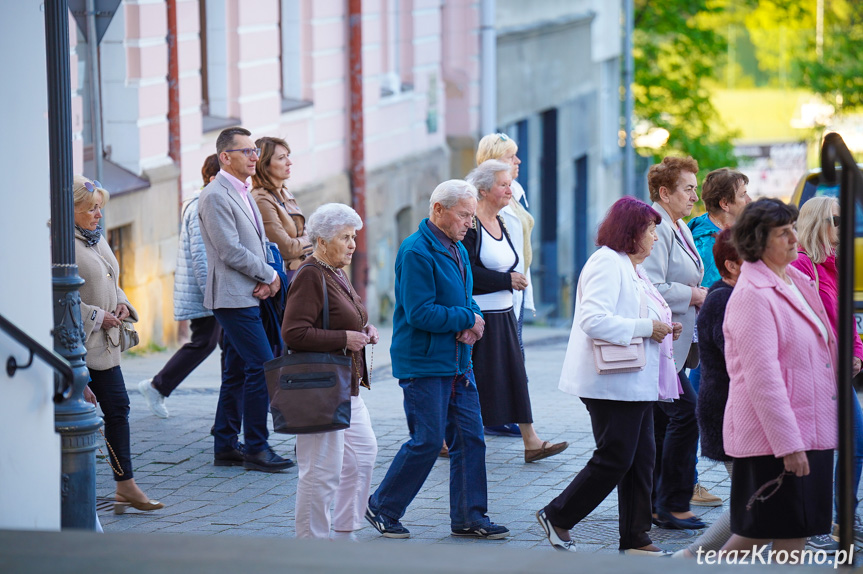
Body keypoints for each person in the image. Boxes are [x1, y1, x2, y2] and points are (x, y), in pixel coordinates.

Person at [365, 180, 509, 540]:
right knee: (427, 441)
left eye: (472, 217)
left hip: (458, 362)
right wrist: (464, 320)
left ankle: (469, 517)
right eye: (463, 215)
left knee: (471, 439)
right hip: (424, 364)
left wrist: (474, 320)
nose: (469, 224)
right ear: (438, 210)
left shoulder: (457, 247)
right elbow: (419, 313)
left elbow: (467, 297)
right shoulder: (416, 251)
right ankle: (382, 506)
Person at [536, 197, 681, 555]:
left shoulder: (631, 266)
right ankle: (557, 515)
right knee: (615, 457)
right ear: (632, 231)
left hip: (633, 381)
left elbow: (641, 313)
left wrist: (663, 327)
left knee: (641, 459)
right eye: (651, 231)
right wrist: (648, 327)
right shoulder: (606, 263)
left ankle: (635, 537)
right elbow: (593, 320)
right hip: (610, 383)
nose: (655, 239)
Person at [721, 198, 837, 555]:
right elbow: (763, 379)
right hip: (777, 441)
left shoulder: (794, 281)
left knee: (795, 529)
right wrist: (789, 445)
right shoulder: (753, 295)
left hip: (810, 432)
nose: (793, 238)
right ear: (758, 241)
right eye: (783, 232)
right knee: (757, 533)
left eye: (793, 229)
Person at [198, 126, 293, 472]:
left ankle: (225, 444)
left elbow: (258, 245)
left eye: (255, 151)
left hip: (250, 293)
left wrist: (270, 280)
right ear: (226, 157)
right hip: (233, 296)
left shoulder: (243, 190)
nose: (255, 156)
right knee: (263, 367)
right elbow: (229, 250)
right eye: (247, 151)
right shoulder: (216, 195)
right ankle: (256, 446)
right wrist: (269, 276)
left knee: (238, 370)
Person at [282, 203, 379, 540]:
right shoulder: (310, 274)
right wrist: (345, 338)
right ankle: (312, 545)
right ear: (322, 241)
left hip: (346, 385)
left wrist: (365, 330)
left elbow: (345, 316)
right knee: (320, 471)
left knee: (362, 455)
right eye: (344, 237)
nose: (352, 244)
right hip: (320, 387)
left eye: (354, 237)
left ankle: (344, 530)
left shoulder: (336, 270)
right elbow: (294, 333)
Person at [463, 160, 567, 463]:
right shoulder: (471, 225)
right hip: (481, 318)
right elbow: (467, 271)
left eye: (510, 184)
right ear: (484, 190)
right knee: (475, 381)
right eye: (503, 185)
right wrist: (506, 280)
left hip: (505, 314)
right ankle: (449, 437)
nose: (510, 190)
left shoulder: (503, 220)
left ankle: (531, 441)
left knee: (516, 378)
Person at [73, 175, 163, 514]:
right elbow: (56, 297)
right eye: (91, 210)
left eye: (100, 209)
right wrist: (98, 316)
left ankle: (125, 485)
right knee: (88, 416)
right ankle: (75, 493)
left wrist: (123, 304)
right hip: (77, 346)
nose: (99, 215)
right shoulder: (61, 243)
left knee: (118, 409)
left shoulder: (94, 237)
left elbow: (113, 276)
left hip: (104, 346)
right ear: (72, 211)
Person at [789, 196, 863, 551]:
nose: (841, 227)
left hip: (839, 373)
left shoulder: (833, 264)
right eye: (836, 220)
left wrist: (858, 353)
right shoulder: (801, 267)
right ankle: (815, 522)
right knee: (819, 450)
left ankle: (843, 517)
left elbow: (847, 317)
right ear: (818, 222)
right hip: (817, 373)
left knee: (856, 443)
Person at [641, 156, 710, 529]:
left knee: (663, 423)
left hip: (676, 345)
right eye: (687, 188)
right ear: (664, 192)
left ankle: (656, 502)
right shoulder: (657, 226)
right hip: (661, 343)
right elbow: (653, 286)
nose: (694, 195)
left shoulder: (676, 225)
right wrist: (694, 295)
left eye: (695, 188)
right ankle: (671, 502)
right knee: (686, 414)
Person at [685, 170, 751, 507]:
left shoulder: (736, 233)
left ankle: (744, 491)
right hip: (708, 338)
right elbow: (715, 286)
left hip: (722, 334)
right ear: (725, 203)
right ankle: (689, 484)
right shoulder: (705, 238)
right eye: (743, 195)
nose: (749, 200)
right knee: (701, 411)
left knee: (709, 411)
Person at [138, 154, 222, 418]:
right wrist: (212, 295)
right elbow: (200, 255)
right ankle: (157, 386)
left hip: (218, 290)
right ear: (212, 178)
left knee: (218, 345)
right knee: (204, 342)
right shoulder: (202, 205)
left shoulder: (213, 202)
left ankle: (228, 419)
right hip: (209, 292)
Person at [678, 229, 742, 558]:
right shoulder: (722, 299)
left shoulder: (732, 294)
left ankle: (690, 556)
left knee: (752, 501)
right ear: (732, 266)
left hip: (733, 410)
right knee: (748, 502)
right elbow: (739, 356)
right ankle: (688, 557)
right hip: (727, 413)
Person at [474, 133, 534, 438]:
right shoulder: (477, 209)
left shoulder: (515, 192)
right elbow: (473, 265)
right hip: (490, 302)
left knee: (513, 361)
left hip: (513, 294)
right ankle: (497, 419)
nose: (518, 161)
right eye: (512, 156)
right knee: (501, 364)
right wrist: (506, 280)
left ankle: (520, 428)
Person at [251, 136, 312, 283]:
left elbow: (303, 232)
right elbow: (286, 248)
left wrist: (305, 239)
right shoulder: (261, 199)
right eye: (281, 158)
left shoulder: (285, 192)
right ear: (264, 164)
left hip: (303, 269)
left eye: (288, 156)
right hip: (286, 276)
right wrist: (312, 239)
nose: (289, 162)